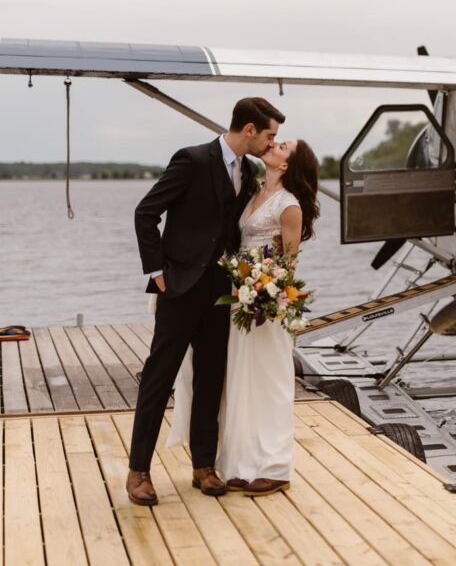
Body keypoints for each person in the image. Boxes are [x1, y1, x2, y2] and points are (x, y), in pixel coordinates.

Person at [127, 97, 285, 506]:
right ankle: (138, 471)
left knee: (211, 378)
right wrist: (157, 273)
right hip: (179, 288)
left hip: (222, 293)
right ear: (248, 129)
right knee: (158, 378)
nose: (271, 143)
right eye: (269, 134)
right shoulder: (192, 159)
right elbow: (146, 213)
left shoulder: (250, 170)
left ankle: (203, 466)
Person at [168, 139, 320, 497]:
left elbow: (288, 266)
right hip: (240, 302)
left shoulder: (289, 206)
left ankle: (276, 466)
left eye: (283, 146)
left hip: (266, 308)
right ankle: (245, 462)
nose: (274, 144)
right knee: (241, 385)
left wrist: (265, 296)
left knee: (270, 384)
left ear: (286, 165)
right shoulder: (255, 190)